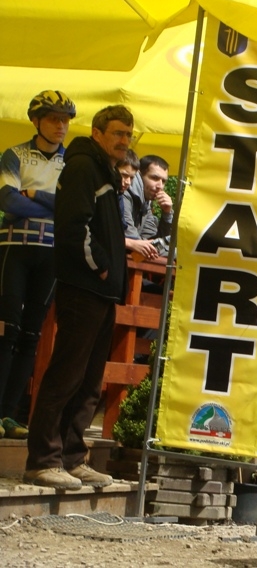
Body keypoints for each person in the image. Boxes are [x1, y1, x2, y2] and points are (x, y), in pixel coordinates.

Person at [23, 105, 132, 489]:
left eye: (128, 134)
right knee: (65, 375)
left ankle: (71, 458)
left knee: (88, 381)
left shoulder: (105, 172)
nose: (124, 141)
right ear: (97, 133)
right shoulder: (84, 166)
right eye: (117, 133)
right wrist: (101, 267)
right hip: (83, 287)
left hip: (102, 292)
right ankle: (43, 460)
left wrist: (110, 277)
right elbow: (74, 227)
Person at [0, 91, 76, 440]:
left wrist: (33, 194)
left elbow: (73, 207)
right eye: (53, 118)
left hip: (51, 252)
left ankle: (9, 414)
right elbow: (8, 202)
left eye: (66, 120)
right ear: (36, 120)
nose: (61, 126)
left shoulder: (72, 163)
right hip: (13, 248)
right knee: (7, 330)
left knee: (32, 334)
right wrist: (53, 205)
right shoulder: (14, 155)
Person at [121, 154, 172, 257]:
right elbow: (132, 239)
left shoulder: (146, 203)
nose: (160, 186)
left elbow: (154, 242)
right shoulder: (123, 195)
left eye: (163, 181)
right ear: (138, 175)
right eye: (155, 178)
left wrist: (167, 214)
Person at [115, 151, 159, 261]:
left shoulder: (145, 203)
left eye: (131, 178)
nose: (128, 182)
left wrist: (167, 214)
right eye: (124, 175)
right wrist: (131, 243)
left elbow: (151, 238)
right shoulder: (120, 196)